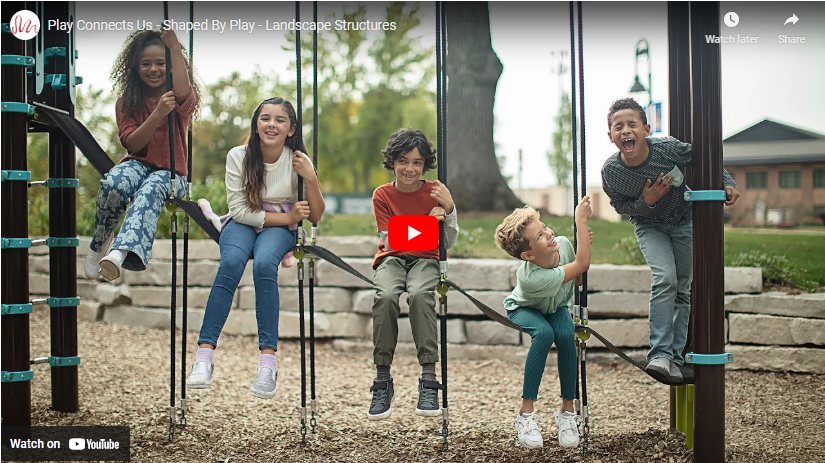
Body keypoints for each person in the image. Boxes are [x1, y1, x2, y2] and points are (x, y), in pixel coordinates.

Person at [186, 97, 325, 399]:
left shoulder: (297, 159)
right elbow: (239, 211)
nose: (271, 125)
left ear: (291, 128)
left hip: (279, 229)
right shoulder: (239, 156)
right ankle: (204, 357)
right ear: (256, 123)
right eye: (265, 118)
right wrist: (287, 216)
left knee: (264, 265)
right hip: (245, 220)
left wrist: (311, 178)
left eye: (280, 120)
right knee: (231, 263)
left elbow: (315, 215)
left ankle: (267, 364)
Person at [600, 97, 739, 383]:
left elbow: (703, 159)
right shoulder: (612, 172)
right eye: (618, 126)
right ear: (611, 136)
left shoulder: (667, 149)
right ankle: (660, 354)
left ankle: (673, 360)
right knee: (665, 279)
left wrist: (728, 182)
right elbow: (620, 206)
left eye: (632, 124)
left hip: (684, 221)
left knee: (682, 288)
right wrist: (645, 201)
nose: (625, 130)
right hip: (649, 226)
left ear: (646, 129)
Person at [84, 29, 200, 282]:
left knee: (151, 188)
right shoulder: (127, 101)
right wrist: (157, 113)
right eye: (146, 64)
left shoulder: (178, 99)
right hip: (139, 163)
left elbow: (185, 93)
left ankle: (120, 253)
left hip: (172, 175)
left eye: (161, 63)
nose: (154, 69)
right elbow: (133, 145)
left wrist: (175, 48)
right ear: (135, 68)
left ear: (171, 67)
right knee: (115, 182)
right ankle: (100, 243)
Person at [367, 128, 459, 420]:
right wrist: (427, 225)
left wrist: (450, 208)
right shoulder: (382, 195)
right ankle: (383, 379)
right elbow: (391, 240)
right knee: (386, 296)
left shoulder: (435, 192)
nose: (410, 168)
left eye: (417, 162)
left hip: (426, 260)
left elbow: (447, 241)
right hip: (391, 259)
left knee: (420, 295)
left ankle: (428, 378)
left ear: (424, 165)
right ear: (393, 161)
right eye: (403, 161)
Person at [495, 199, 593, 449]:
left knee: (565, 332)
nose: (549, 233)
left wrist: (583, 245)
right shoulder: (531, 278)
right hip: (524, 309)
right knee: (543, 333)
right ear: (528, 255)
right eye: (539, 236)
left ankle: (567, 412)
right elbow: (580, 265)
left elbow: (579, 274)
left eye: (545, 227)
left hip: (555, 307)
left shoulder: (564, 245)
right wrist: (580, 221)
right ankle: (525, 414)